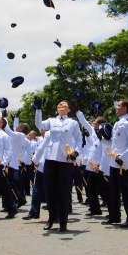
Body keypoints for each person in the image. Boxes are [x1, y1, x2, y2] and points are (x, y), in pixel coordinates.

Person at [34, 97, 82, 232]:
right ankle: (51, 218)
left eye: (64, 104)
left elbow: (79, 139)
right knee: (49, 190)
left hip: (65, 160)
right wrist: (38, 110)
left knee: (63, 192)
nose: (61, 105)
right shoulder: (51, 121)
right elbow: (39, 125)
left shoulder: (72, 123)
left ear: (69, 109)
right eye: (59, 104)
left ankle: (63, 222)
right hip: (50, 159)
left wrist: (76, 152)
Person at [102, 99, 128, 228]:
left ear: (124, 108)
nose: (116, 108)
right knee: (113, 191)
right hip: (114, 162)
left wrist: (122, 157)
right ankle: (114, 216)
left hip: (124, 164)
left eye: (118, 106)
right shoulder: (120, 122)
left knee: (127, 192)